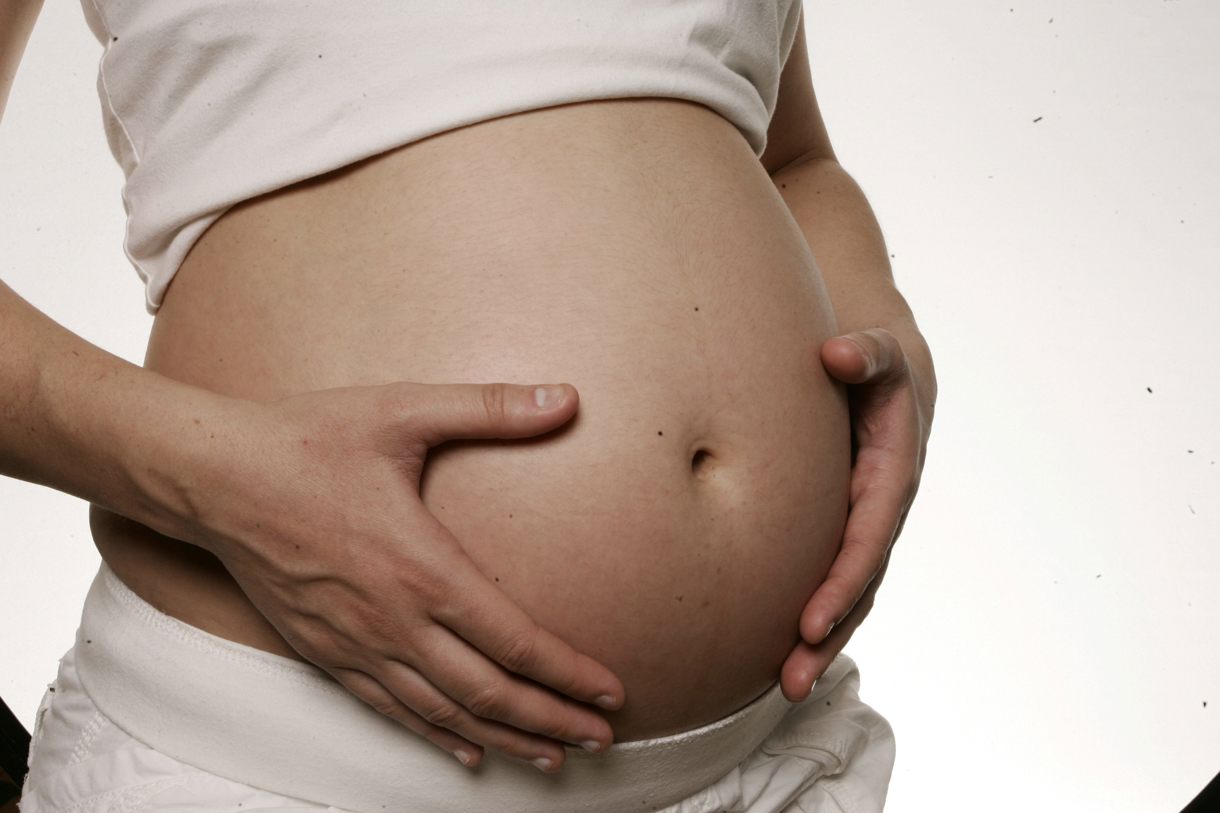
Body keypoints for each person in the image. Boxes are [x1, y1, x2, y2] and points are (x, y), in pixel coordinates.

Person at [2, 0, 936, 810]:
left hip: (765, 759)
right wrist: (231, 487)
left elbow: (797, 159)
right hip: (292, 764)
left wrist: (885, 325)